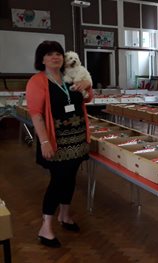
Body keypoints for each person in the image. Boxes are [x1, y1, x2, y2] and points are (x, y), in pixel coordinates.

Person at [26, 41, 93, 247]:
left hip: (77, 139)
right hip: (56, 141)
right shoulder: (37, 81)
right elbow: (36, 115)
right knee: (57, 181)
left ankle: (64, 215)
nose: (55, 57)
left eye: (58, 54)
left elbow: (87, 99)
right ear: (42, 59)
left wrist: (87, 87)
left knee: (71, 178)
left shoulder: (70, 76)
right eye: (50, 54)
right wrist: (45, 141)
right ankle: (45, 227)